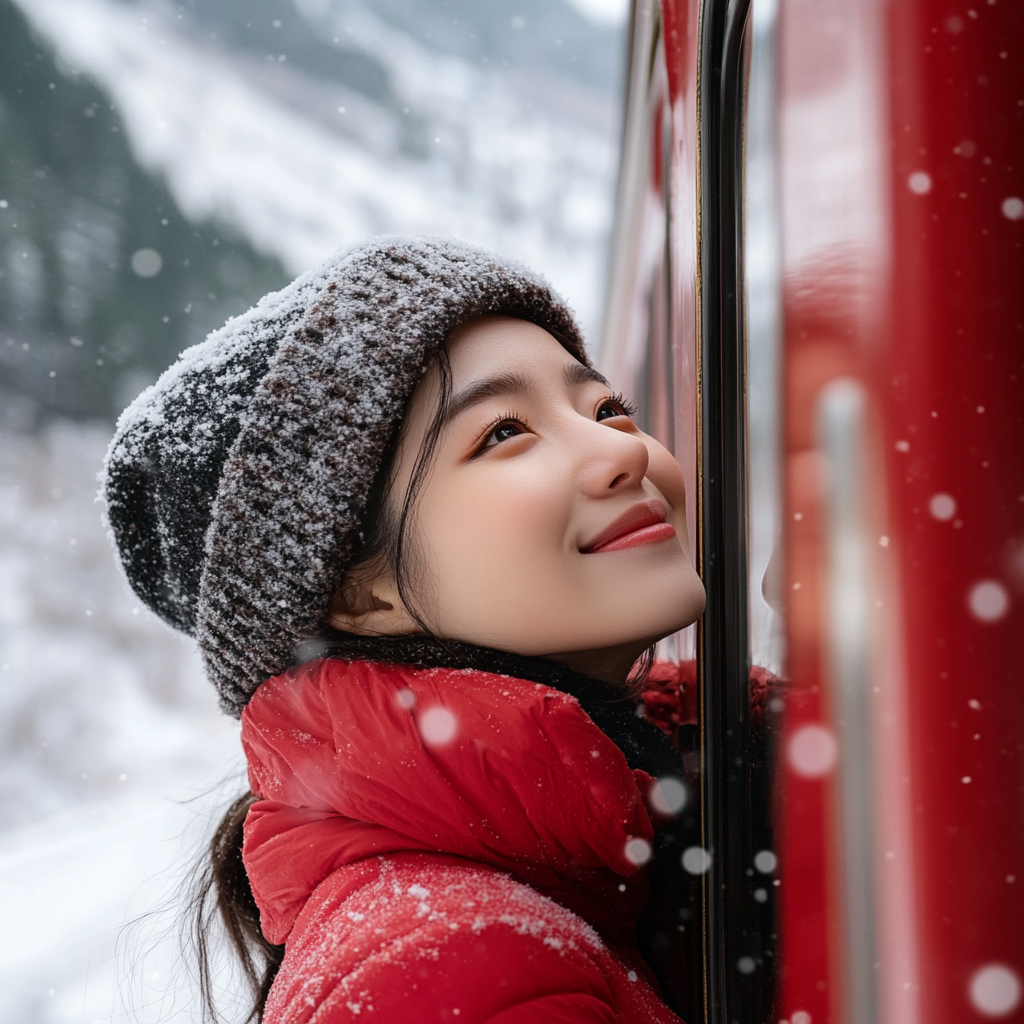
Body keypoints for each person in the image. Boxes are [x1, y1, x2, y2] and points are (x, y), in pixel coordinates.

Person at [103, 237, 709, 1023]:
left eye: (604, 408)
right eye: (503, 433)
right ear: (354, 596)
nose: (617, 450)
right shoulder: (452, 967)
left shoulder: (623, 826)